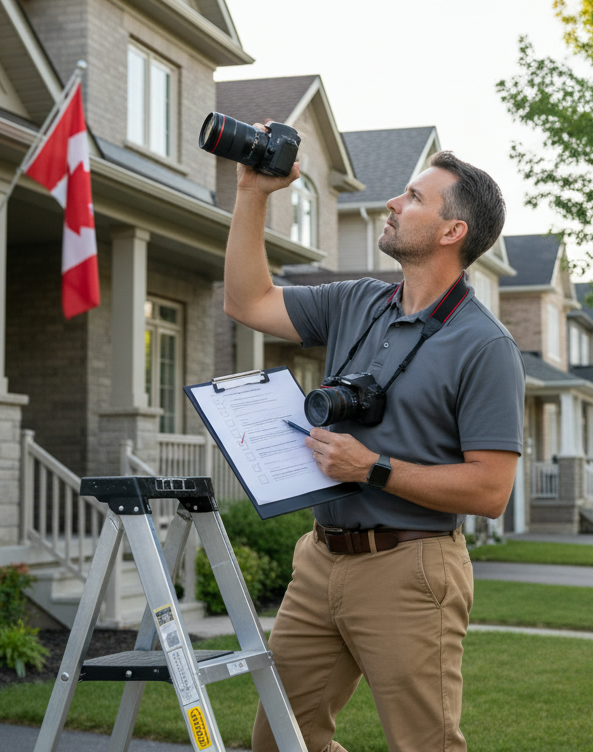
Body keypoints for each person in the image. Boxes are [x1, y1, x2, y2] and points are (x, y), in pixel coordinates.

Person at [223, 142, 524, 752]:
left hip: (410, 567)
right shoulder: (356, 303)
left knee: (424, 745)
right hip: (319, 559)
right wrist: (252, 193)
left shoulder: (485, 346)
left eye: (413, 197)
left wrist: (374, 468)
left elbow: (491, 490)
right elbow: (246, 301)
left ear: (451, 231)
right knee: (281, 740)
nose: (393, 201)